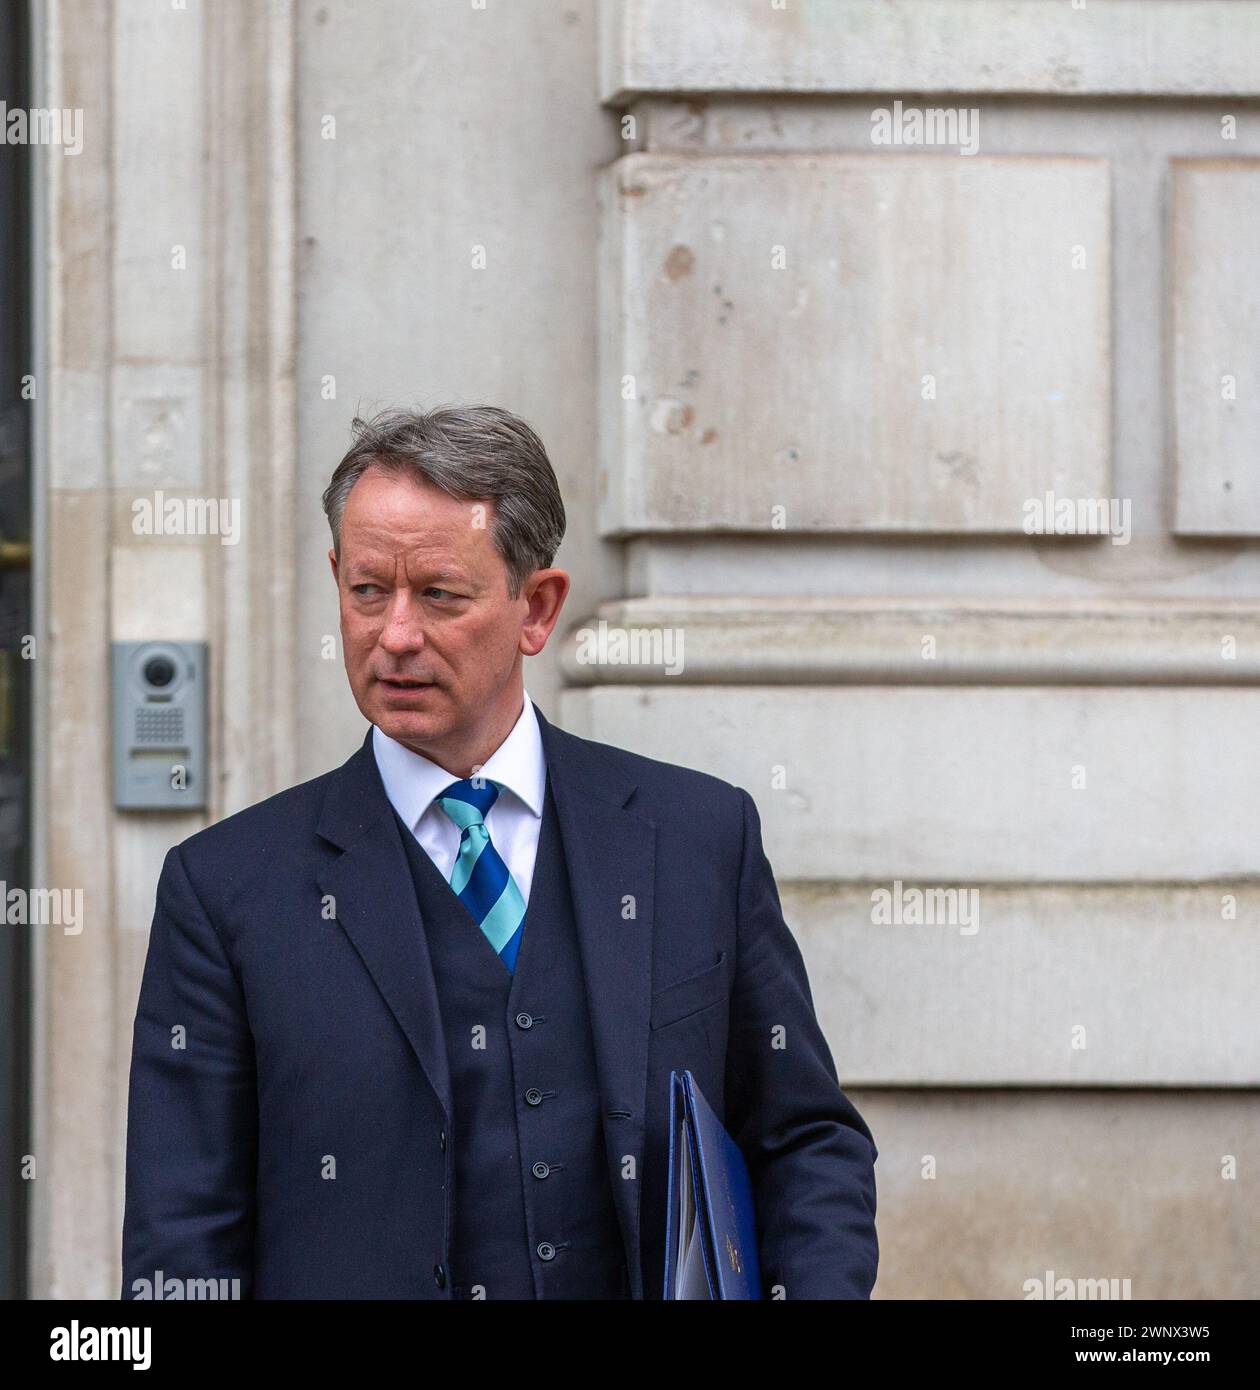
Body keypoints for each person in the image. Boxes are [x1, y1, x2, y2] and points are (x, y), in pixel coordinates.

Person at [120, 404, 878, 1300]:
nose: (395, 634)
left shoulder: (698, 838)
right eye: (368, 591)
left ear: (537, 607)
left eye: (439, 595)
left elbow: (803, 1142)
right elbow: (183, 1237)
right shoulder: (226, 890)